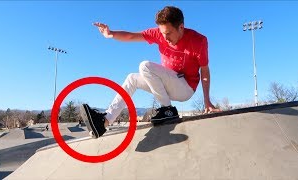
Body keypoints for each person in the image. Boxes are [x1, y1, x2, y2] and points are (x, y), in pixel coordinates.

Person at [80, 6, 221, 137]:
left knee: (145, 66)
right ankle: (103, 123)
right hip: (166, 84)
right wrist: (110, 34)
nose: (165, 38)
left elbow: (205, 71)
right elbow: (131, 36)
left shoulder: (198, 41)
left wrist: (207, 101)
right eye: (162, 33)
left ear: (181, 27)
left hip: (185, 88)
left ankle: (168, 110)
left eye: (168, 33)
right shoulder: (158, 34)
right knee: (132, 78)